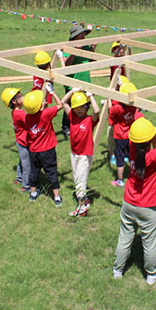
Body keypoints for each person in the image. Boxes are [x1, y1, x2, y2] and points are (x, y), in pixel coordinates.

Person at [113, 117, 156, 285]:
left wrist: (147, 133)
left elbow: (135, 132)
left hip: (129, 201)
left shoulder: (132, 149)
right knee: (149, 242)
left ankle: (118, 270)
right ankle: (151, 274)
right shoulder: (153, 155)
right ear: (149, 140)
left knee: (125, 237)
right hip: (148, 205)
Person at [23, 85, 65, 207]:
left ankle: (33, 193)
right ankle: (57, 197)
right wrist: (52, 92)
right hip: (47, 151)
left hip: (34, 151)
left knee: (34, 171)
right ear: (41, 106)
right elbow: (60, 105)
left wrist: (42, 105)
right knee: (52, 171)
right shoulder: (46, 114)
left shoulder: (27, 117)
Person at [60, 88, 100, 217]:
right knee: (76, 178)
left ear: (86, 107)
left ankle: (82, 207)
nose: (79, 110)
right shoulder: (72, 116)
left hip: (85, 155)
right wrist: (72, 92)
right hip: (74, 153)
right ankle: (84, 201)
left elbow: (97, 111)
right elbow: (63, 102)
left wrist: (90, 96)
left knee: (80, 184)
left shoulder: (89, 120)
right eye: (76, 107)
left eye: (82, 107)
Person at [57, 24, 95, 136]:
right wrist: (75, 52)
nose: (83, 36)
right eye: (81, 34)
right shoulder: (69, 48)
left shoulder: (86, 46)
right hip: (72, 82)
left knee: (84, 104)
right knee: (70, 106)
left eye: (84, 34)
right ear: (75, 37)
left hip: (85, 80)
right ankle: (66, 126)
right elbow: (65, 64)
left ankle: (83, 124)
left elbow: (91, 61)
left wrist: (92, 49)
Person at [109, 83, 143, 187]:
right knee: (133, 156)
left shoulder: (118, 108)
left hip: (120, 137)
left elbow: (110, 109)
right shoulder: (133, 108)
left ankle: (120, 180)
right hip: (130, 136)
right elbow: (139, 108)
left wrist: (109, 97)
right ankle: (137, 177)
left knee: (120, 159)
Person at [1, 87, 30, 192]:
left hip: (19, 141)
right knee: (27, 165)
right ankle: (26, 186)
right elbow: (29, 121)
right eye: (20, 96)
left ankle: (19, 178)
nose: (23, 97)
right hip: (25, 142)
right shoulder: (21, 113)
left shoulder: (14, 112)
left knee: (22, 161)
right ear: (14, 101)